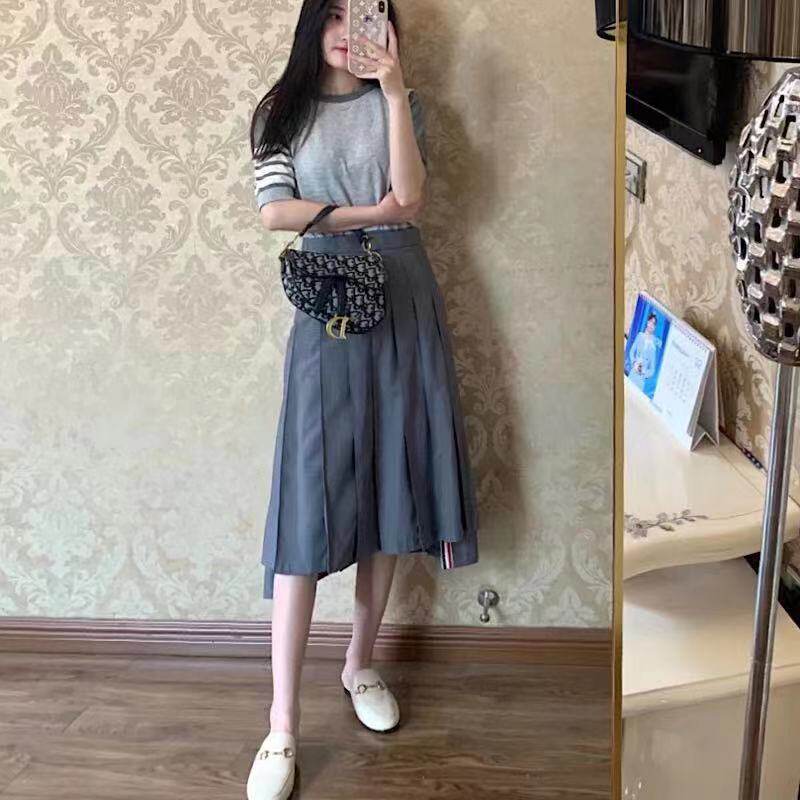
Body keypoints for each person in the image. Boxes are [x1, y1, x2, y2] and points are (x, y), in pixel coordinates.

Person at [247, 2, 479, 797]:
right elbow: (274, 213)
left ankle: (359, 664)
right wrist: (364, 214)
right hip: (328, 301)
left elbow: (409, 199)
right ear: (314, 23)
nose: (351, 28)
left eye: (369, 12)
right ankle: (281, 724)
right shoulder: (280, 110)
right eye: (337, 13)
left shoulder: (404, 105)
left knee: (389, 484)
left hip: (406, 296)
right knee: (308, 502)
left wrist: (394, 92)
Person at [628, 312, 661, 393]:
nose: (651, 325)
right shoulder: (640, 336)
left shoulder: (653, 347)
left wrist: (644, 373)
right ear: (647, 322)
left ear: (655, 327)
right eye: (651, 322)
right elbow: (631, 352)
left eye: (654, 324)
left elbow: (652, 369)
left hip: (641, 380)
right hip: (633, 373)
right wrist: (634, 363)